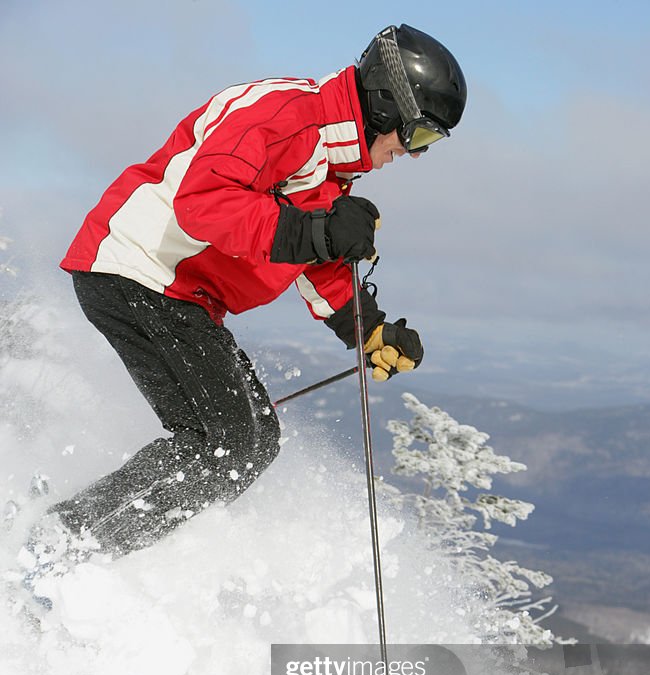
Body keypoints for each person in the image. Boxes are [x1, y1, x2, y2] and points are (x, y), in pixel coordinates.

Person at [22, 24, 466, 591]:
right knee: (226, 442)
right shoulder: (288, 115)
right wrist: (320, 232)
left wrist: (369, 330)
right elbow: (202, 203)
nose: (410, 154)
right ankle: (59, 561)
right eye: (419, 136)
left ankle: (65, 545)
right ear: (386, 105)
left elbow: (313, 256)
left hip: (182, 295)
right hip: (138, 271)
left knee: (253, 441)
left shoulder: (334, 165)